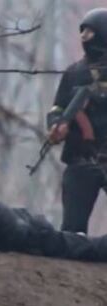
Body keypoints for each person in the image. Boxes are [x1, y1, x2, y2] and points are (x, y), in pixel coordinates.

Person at [47, 8, 107, 234]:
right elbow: (58, 107)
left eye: (90, 33)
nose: (84, 38)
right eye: (83, 33)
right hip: (81, 157)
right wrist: (55, 124)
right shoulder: (74, 73)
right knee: (73, 230)